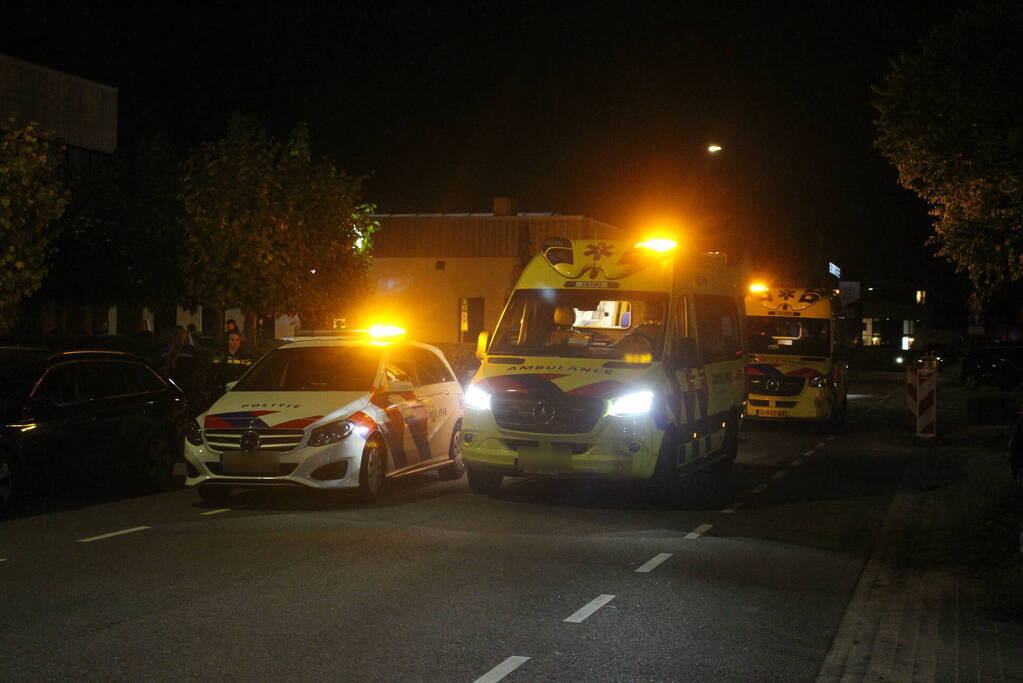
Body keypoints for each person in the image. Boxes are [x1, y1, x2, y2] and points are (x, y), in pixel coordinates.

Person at [207, 329, 252, 403]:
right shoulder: (220, 356)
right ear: (227, 341)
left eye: (237, 340)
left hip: (239, 392)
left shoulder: (245, 356)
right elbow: (213, 372)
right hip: (222, 392)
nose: (235, 342)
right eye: (232, 340)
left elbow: (249, 373)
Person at [160, 325, 199, 405]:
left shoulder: (164, 351)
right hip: (185, 388)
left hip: (170, 387)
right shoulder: (189, 350)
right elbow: (195, 367)